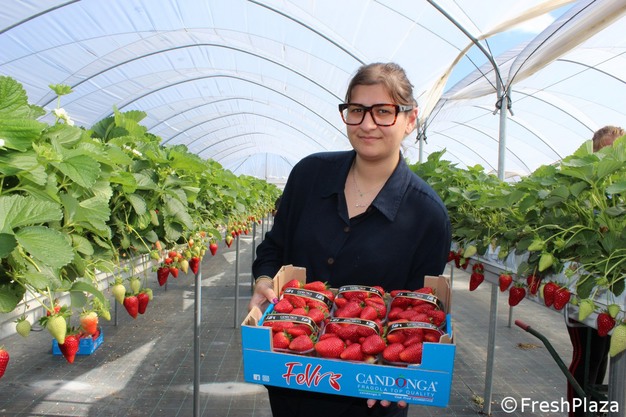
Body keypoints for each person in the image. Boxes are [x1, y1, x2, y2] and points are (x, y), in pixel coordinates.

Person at [248, 62, 452, 417]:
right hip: (293, 375)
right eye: (357, 110)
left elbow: (419, 312)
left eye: (384, 112)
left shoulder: (428, 215)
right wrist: (265, 280)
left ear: (410, 119)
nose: (367, 124)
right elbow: (274, 247)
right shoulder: (308, 176)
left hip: (370, 392)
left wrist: (400, 370)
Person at [566, 125, 625, 417]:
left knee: (603, 358)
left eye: (619, 151)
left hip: (611, 293)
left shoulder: (620, 194)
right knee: (587, 357)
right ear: (594, 151)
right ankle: (578, 412)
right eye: (606, 150)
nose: (612, 157)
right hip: (584, 290)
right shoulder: (584, 193)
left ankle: (595, 411)